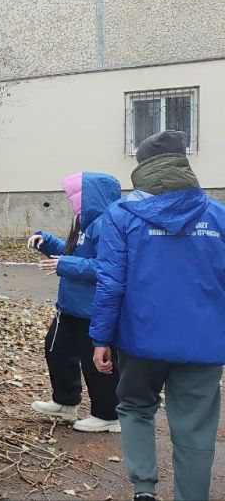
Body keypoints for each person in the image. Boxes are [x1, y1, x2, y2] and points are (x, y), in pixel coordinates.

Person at [90, 130, 225, 501]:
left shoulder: (122, 215)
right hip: (204, 344)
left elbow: (110, 284)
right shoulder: (218, 215)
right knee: (195, 428)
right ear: (183, 162)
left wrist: (101, 338)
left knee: (134, 405)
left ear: (143, 167)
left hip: (140, 340)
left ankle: (144, 490)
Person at [26, 172, 122, 433]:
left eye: (75, 197)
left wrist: (65, 264)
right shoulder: (85, 221)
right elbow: (75, 253)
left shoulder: (106, 224)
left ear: (91, 197)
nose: (72, 202)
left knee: (97, 363)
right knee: (56, 350)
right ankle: (65, 402)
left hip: (92, 309)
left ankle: (109, 415)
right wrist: (47, 242)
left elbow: (106, 267)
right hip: (70, 306)